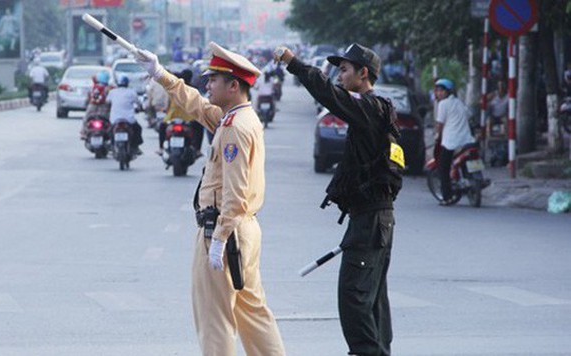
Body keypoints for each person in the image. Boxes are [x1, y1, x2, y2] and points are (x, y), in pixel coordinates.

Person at [136, 42, 286, 356]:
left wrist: (218, 238)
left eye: (214, 79)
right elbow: (196, 105)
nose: (207, 84)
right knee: (252, 311)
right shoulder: (239, 118)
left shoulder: (232, 128)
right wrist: (160, 73)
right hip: (245, 231)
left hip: (224, 231)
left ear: (233, 86)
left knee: (215, 318)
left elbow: (236, 192)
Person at [275, 43, 403, 356]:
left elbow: (327, 94)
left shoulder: (368, 107)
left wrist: (294, 63)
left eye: (344, 69)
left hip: (371, 220)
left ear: (363, 74)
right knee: (372, 299)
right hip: (374, 218)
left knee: (354, 297)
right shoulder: (376, 109)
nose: (339, 75)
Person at [433, 78, 475, 206]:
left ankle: (447, 197)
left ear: (448, 92)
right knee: (463, 162)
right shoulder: (459, 102)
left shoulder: (443, 104)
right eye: (437, 91)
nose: (439, 93)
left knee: (443, 168)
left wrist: (437, 135)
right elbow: (469, 115)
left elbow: (440, 124)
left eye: (441, 91)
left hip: (451, 141)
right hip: (467, 140)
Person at [156, 70, 203, 156]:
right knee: (199, 128)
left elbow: (167, 105)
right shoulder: (194, 90)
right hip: (189, 118)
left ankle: (161, 148)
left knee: (162, 126)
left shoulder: (173, 89)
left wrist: (164, 109)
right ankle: (197, 150)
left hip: (172, 117)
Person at [106, 76, 143, 154]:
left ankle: (111, 143)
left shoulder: (112, 92)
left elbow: (107, 102)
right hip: (128, 119)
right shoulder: (132, 92)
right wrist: (139, 109)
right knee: (138, 128)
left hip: (115, 119)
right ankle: (135, 146)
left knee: (109, 129)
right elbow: (138, 104)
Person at [81, 71, 113, 139]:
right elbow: (111, 101)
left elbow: (87, 99)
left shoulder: (93, 88)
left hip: (92, 109)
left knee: (85, 119)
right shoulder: (109, 89)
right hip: (104, 111)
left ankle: (83, 133)